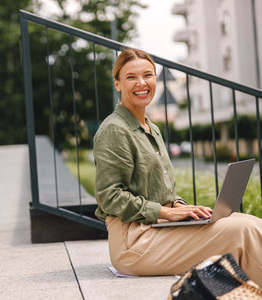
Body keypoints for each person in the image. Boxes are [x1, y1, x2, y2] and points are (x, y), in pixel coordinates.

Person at [93, 48, 262, 286]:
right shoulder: (115, 129)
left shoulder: (151, 127)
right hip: (134, 242)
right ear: (118, 83)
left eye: (148, 75)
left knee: (249, 222)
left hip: (157, 228)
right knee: (242, 231)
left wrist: (183, 208)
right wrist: (166, 212)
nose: (141, 83)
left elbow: (158, 189)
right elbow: (109, 197)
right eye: (131, 77)